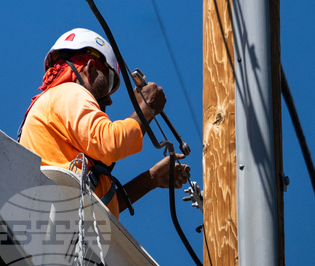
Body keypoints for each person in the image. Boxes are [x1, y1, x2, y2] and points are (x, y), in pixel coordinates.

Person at [18, 27, 191, 218]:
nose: (109, 100)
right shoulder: (68, 92)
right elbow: (111, 143)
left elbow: (98, 210)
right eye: (108, 82)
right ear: (89, 68)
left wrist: (151, 179)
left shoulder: (54, 107)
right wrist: (146, 108)